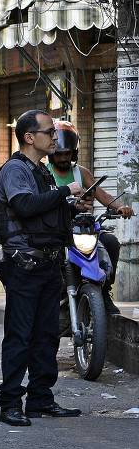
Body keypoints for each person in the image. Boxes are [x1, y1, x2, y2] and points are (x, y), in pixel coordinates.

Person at [0, 110, 84, 426]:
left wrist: (71, 206)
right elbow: (24, 206)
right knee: (20, 336)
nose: (55, 139)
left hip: (48, 263)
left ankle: (40, 400)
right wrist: (63, 192)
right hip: (24, 264)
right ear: (30, 137)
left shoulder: (42, 172)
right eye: (49, 132)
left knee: (47, 335)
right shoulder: (16, 170)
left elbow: (48, 211)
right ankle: (10, 405)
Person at [46, 120, 134, 314]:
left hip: (83, 229)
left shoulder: (81, 173)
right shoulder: (44, 173)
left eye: (67, 153)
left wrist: (121, 207)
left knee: (110, 242)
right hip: (56, 229)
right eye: (59, 154)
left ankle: (104, 291)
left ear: (73, 153)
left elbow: (104, 197)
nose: (63, 158)